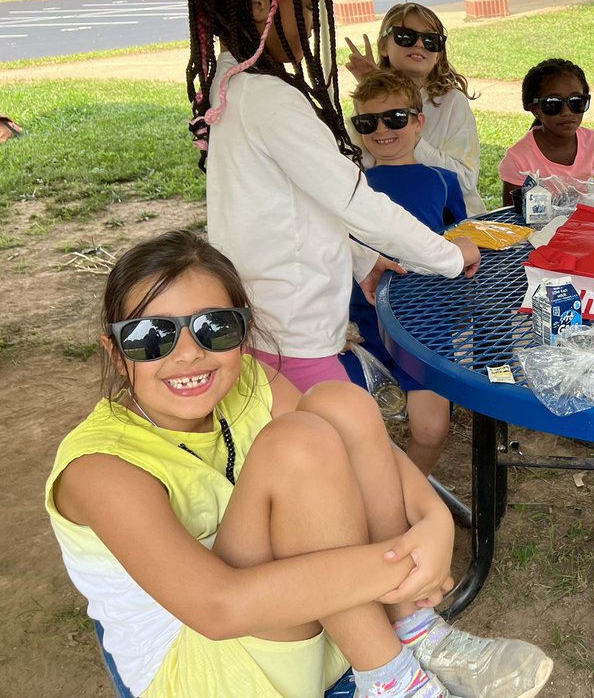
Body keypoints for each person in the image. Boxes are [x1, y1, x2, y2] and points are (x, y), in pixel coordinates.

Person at [45, 230, 553, 698]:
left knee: (340, 403)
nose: (188, 355)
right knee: (296, 442)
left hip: (303, 619)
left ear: (243, 333)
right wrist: (405, 558)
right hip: (208, 664)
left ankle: (411, 634)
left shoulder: (246, 378)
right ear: (115, 353)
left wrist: (435, 522)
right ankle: (394, 677)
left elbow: (367, 444)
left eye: (215, 329)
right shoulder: (100, 467)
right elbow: (218, 609)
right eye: (151, 337)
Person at [185, 0, 480, 393]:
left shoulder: (230, 82)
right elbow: (355, 202)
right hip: (297, 336)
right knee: (350, 452)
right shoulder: (272, 100)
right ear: (262, 3)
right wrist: (449, 256)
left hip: (263, 324)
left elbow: (292, 208)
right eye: (304, 5)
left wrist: (363, 261)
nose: (312, 22)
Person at [341, 69, 467, 476]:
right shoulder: (348, 187)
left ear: (418, 122)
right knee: (356, 430)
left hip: (426, 321)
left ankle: (409, 490)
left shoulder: (444, 182)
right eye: (367, 122)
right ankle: (374, 497)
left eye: (395, 118)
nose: (381, 130)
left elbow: (463, 250)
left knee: (431, 428)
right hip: (361, 320)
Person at [345, 2, 486, 216]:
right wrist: (377, 95)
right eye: (406, 37)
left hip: (452, 220)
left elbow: (465, 180)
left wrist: (407, 133)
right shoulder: (370, 102)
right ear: (384, 46)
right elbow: (356, 168)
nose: (419, 44)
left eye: (431, 41)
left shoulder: (452, 102)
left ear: (438, 54)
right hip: (390, 217)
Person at [498, 58, 594, 207]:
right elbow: (513, 218)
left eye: (576, 101)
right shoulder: (519, 159)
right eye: (553, 104)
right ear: (536, 109)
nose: (566, 112)